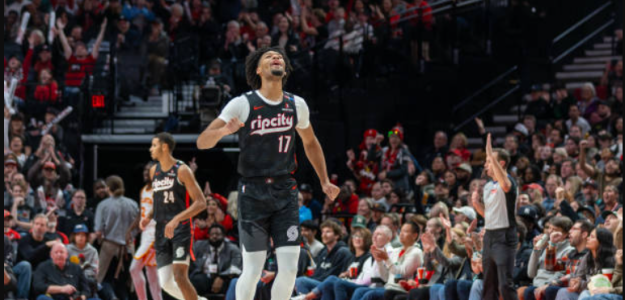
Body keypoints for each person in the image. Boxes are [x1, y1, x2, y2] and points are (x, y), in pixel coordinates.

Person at [196, 46, 340, 300]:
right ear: (259, 69)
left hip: (285, 191)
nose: (277, 58)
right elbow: (202, 141)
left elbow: (310, 142)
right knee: (252, 269)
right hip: (253, 192)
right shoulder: (242, 103)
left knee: (289, 267)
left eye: (280, 57)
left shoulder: (297, 104)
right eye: (269, 57)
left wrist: (324, 180)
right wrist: (222, 132)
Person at [140, 132, 208, 300]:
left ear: (164, 147)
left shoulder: (182, 170)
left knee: (179, 275)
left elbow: (201, 202)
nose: (151, 149)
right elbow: (158, 200)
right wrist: (148, 216)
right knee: (166, 283)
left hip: (180, 227)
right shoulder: (154, 171)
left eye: (154, 145)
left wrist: (177, 219)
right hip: (161, 229)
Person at [471, 133, 519, 300]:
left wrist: (491, 153)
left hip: (504, 235)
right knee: (488, 285)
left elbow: (505, 185)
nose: (486, 165)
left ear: (501, 164)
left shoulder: (510, 182)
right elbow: (489, 215)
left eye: (489, 161)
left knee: (505, 284)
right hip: (489, 235)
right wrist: (477, 205)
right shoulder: (488, 186)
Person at [130, 162, 161, 300]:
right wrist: (130, 230)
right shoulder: (144, 190)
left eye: (148, 170)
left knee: (134, 269)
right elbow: (141, 213)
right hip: (145, 233)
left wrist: (148, 218)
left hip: (154, 233)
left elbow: (159, 207)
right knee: (151, 273)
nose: (145, 172)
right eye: (144, 170)